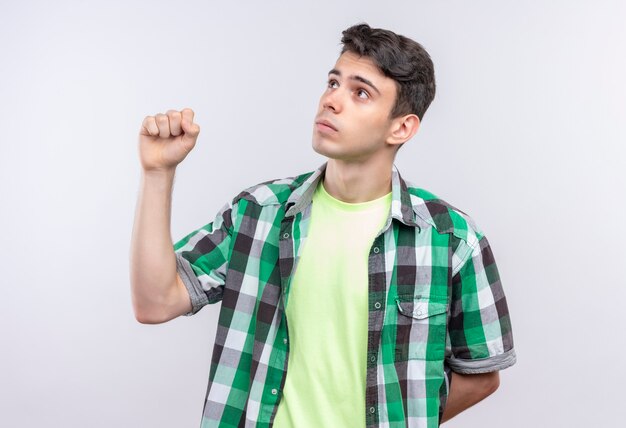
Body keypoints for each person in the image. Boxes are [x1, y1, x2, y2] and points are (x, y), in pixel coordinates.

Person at [130, 23, 516, 428]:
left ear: (401, 127)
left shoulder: (451, 239)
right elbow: (155, 302)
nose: (332, 100)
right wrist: (157, 173)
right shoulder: (257, 213)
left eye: (360, 92)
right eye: (333, 82)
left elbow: (481, 377)